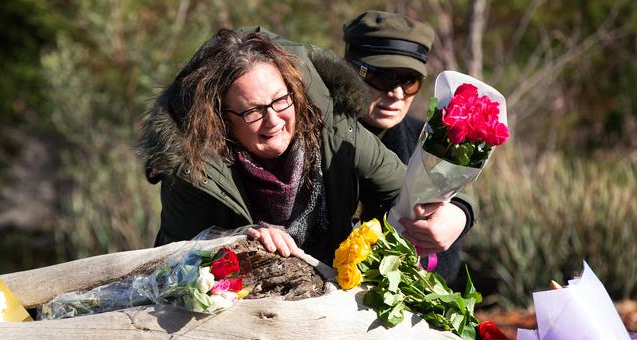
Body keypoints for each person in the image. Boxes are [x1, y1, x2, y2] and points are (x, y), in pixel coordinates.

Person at [139, 28, 468, 271]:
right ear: (220, 120)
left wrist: (458, 213)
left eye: (281, 101)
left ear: (294, 91)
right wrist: (235, 240)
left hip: (332, 289)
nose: (273, 121)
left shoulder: (335, 127)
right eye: (252, 111)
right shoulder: (194, 166)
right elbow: (176, 260)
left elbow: (404, 191)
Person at [342, 10, 474, 283]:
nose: (397, 94)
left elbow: (462, 188)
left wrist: (460, 214)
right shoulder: (314, 132)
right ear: (351, 71)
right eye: (383, 78)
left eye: (409, 81)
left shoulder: (423, 136)